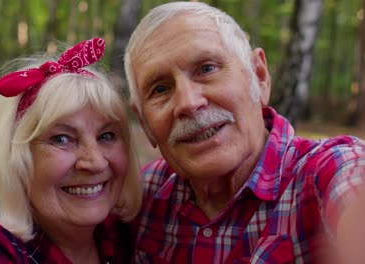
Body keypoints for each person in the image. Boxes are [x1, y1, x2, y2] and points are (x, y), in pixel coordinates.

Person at [123, 2, 365, 263]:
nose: (188, 103)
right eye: (160, 89)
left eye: (207, 69)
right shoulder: (140, 199)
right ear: (144, 122)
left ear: (259, 77)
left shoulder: (326, 171)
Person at [0, 37, 141, 264]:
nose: (96, 162)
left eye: (106, 136)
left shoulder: (130, 233)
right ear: (11, 157)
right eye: (62, 138)